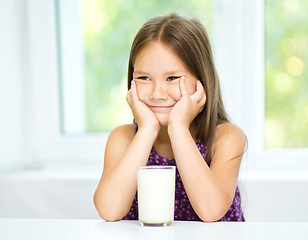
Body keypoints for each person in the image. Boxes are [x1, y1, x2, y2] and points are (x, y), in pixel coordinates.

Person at [94, 13, 246, 222]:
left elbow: (210, 211)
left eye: (172, 78)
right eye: (144, 78)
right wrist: (147, 129)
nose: (157, 93)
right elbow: (109, 211)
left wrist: (178, 128)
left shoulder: (225, 137)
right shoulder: (124, 138)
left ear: (201, 81)